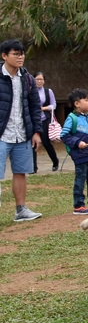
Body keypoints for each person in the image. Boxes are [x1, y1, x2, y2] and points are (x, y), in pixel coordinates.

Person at [0, 39, 42, 221]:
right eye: (16, 54)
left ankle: (21, 210)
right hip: (2, 134)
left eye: (22, 53)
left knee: (20, 172)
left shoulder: (27, 78)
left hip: (22, 133)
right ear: (4, 56)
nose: (20, 57)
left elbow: (35, 106)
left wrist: (36, 132)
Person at [60, 89, 88, 214]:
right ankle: (79, 205)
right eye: (86, 100)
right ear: (77, 104)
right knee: (80, 180)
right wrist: (77, 142)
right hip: (80, 156)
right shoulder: (72, 118)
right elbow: (64, 135)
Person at [32, 72, 59, 172]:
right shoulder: (30, 91)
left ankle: (55, 162)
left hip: (44, 120)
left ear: (44, 81)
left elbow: (54, 105)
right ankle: (33, 167)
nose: (39, 81)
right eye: (37, 79)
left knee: (46, 142)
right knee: (33, 144)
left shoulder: (48, 91)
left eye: (41, 79)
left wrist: (43, 108)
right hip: (33, 120)